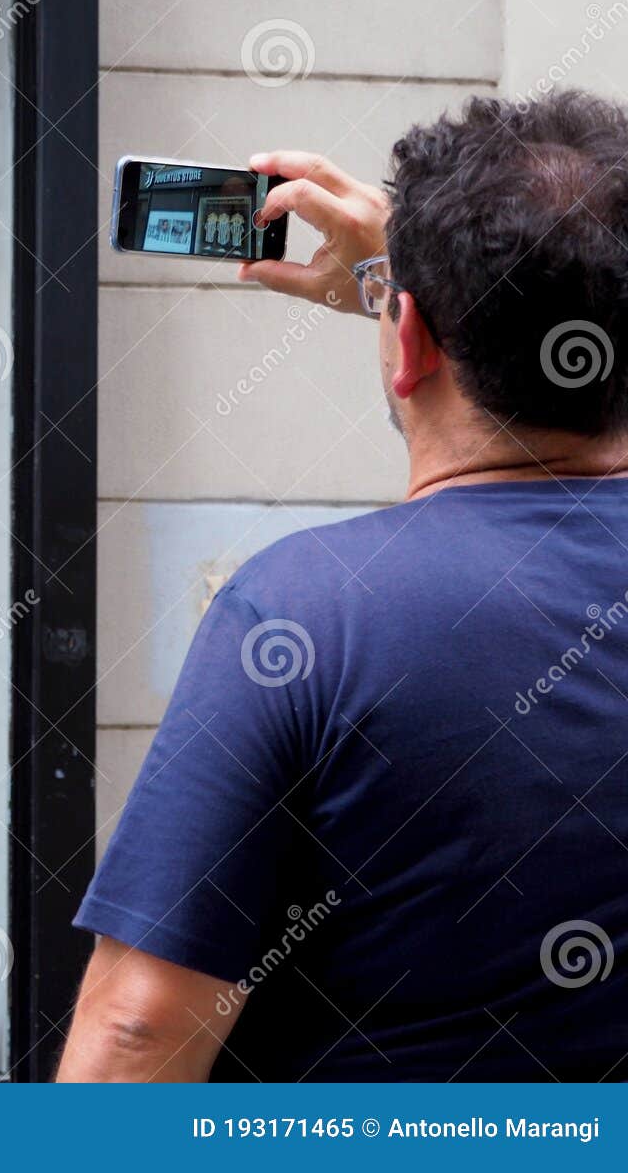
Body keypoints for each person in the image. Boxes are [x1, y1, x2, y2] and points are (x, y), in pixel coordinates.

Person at [61, 91, 628, 1081]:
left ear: (404, 343)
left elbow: (136, 1033)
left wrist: (414, 290)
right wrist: (410, 286)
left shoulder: (302, 610)